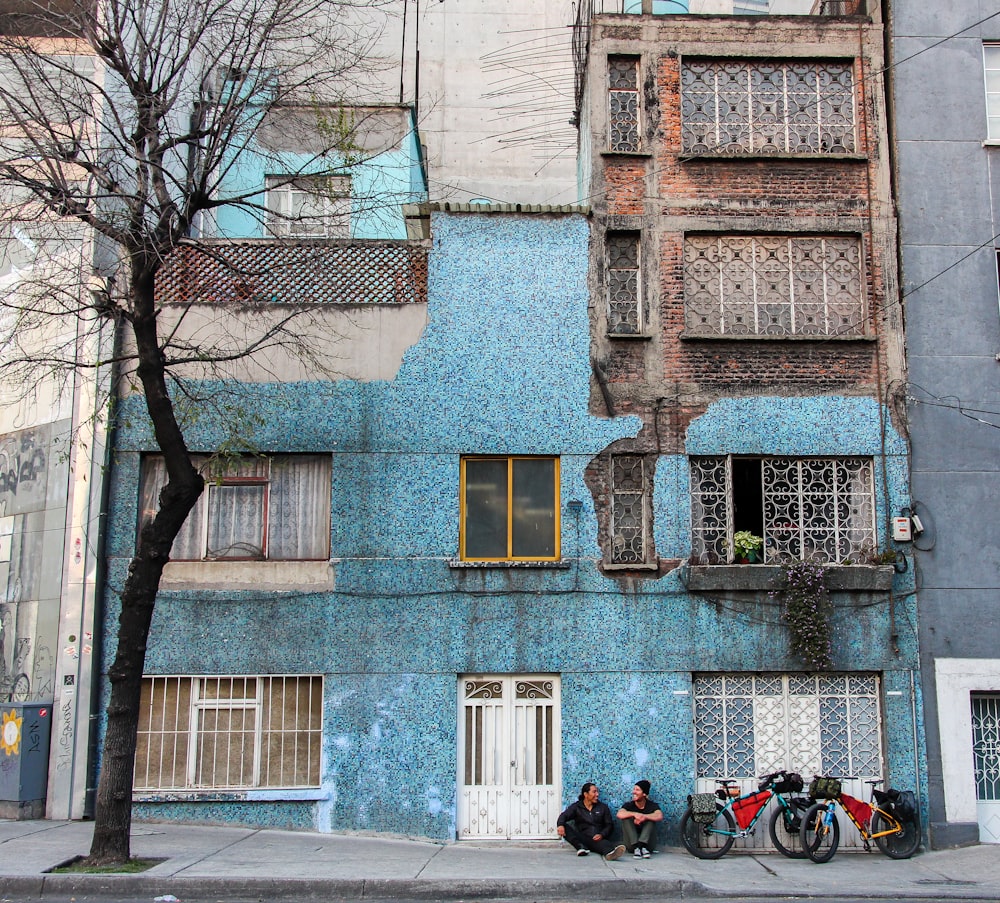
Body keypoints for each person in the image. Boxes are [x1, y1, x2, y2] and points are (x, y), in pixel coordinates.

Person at [557, 782, 626, 860]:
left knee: (605, 844)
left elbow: (609, 825)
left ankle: (611, 854)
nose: (597, 794)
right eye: (594, 792)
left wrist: (602, 834)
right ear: (586, 794)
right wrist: (560, 825)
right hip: (582, 838)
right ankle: (581, 848)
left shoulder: (603, 807)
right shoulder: (577, 807)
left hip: (596, 839)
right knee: (564, 826)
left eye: (597, 792)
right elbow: (564, 816)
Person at [616, 779, 663, 859]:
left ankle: (642, 845)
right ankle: (637, 847)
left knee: (651, 818)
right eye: (634, 789)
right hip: (632, 846)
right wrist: (635, 814)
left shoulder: (652, 805)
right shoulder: (629, 805)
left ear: (644, 794)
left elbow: (659, 816)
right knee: (626, 818)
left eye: (637, 790)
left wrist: (644, 817)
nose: (634, 792)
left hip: (648, 846)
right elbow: (619, 814)